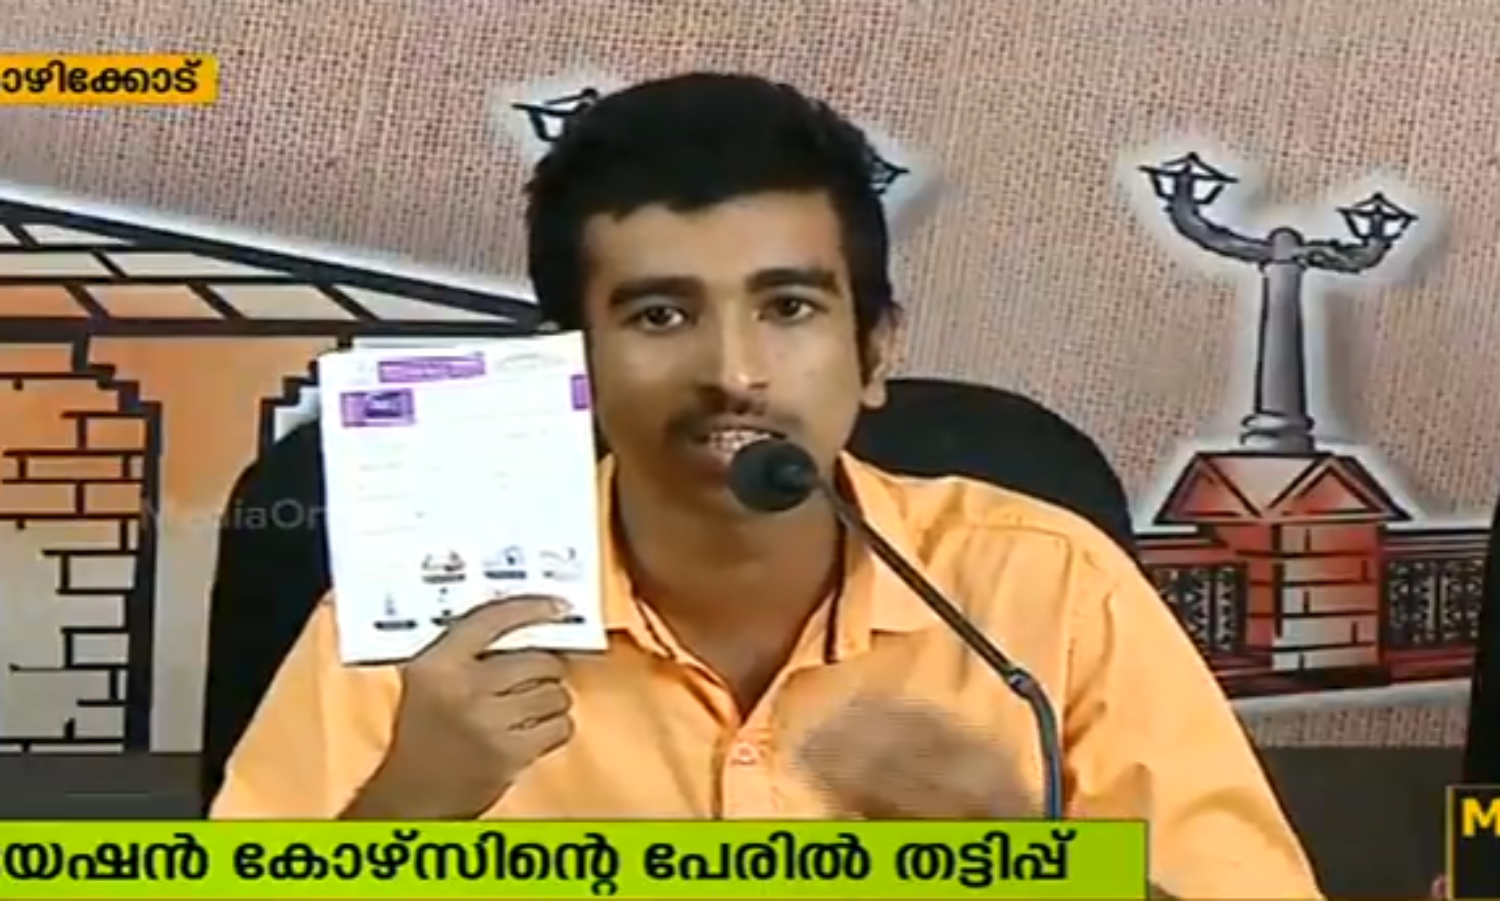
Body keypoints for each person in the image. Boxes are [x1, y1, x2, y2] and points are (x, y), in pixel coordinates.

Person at [211, 72, 1320, 898]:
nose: (734, 371)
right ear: (573, 371)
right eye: (660, 314)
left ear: (874, 352)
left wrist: (1039, 868)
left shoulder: (1054, 593)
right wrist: (408, 809)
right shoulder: (419, 620)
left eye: (788, 308)